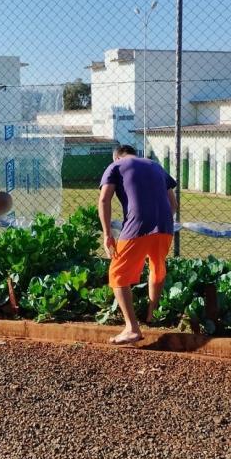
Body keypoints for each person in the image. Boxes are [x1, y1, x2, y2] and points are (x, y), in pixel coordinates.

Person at [98, 144, 178, 345]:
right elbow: (173, 205)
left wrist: (108, 234)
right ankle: (152, 315)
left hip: (138, 224)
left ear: (117, 157)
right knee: (156, 266)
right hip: (165, 225)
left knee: (117, 274)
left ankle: (132, 328)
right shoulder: (156, 165)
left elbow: (104, 200)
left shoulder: (116, 166)